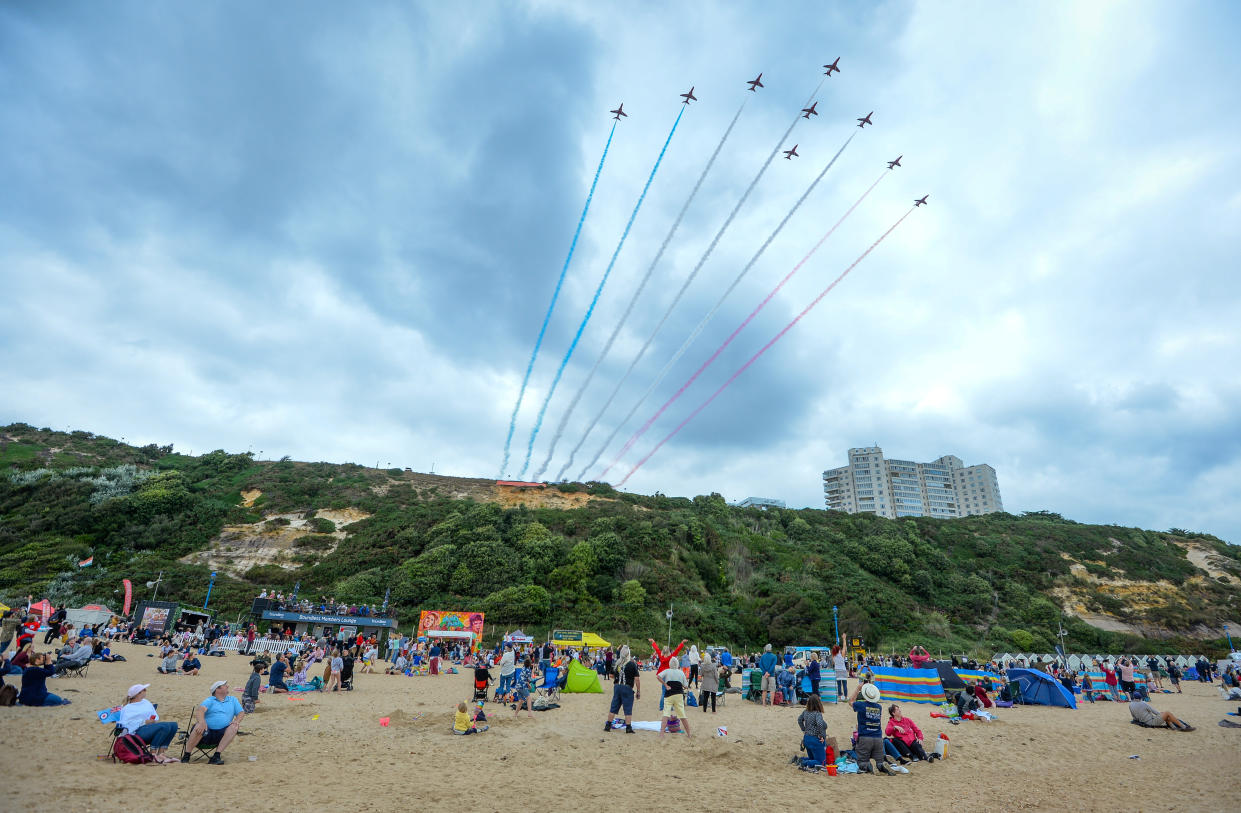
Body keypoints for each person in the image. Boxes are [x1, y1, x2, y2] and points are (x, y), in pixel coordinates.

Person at [182, 680, 245, 763]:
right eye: (225, 685)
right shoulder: (210, 700)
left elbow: (241, 712)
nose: (228, 686)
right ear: (217, 690)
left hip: (222, 735)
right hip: (206, 733)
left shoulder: (233, 700)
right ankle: (186, 755)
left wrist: (236, 721)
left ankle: (216, 756)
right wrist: (202, 722)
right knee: (199, 725)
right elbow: (200, 711)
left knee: (234, 726)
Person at [118, 684, 180, 763]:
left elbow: (154, 715)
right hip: (135, 733)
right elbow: (125, 725)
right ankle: (153, 753)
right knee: (164, 727)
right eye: (143, 690)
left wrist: (152, 720)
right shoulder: (128, 708)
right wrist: (144, 722)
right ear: (138, 694)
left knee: (173, 725)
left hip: (148, 728)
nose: (146, 691)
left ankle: (161, 753)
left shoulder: (145, 702)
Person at [850, 681, 893, 775]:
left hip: (865, 737)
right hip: (878, 737)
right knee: (879, 760)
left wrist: (858, 689)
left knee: (861, 761)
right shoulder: (879, 707)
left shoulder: (861, 705)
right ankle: (881, 765)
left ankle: (868, 765)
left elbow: (851, 701)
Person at [605, 645, 640, 734]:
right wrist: (638, 691)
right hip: (627, 687)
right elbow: (636, 679)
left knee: (614, 707)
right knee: (627, 708)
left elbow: (611, 675)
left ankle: (608, 725)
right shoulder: (632, 664)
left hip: (617, 686)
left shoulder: (617, 663)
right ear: (628, 653)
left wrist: (618, 678)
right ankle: (628, 727)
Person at [658, 656, 691, 738]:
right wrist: (683, 685)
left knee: (666, 714)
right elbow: (686, 686)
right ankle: (689, 734)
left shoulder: (667, 671)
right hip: (679, 695)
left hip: (669, 694)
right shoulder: (681, 672)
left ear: (670, 664)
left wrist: (665, 685)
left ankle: (661, 734)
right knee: (682, 715)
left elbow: (658, 676)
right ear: (677, 664)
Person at [796, 694, 829, 768]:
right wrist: (822, 736)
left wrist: (804, 730)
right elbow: (820, 724)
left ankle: (800, 760)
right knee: (822, 762)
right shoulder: (817, 713)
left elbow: (799, 720)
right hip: (815, 740)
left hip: (807, 738)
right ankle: (804, 763)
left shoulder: (806, 711)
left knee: (813, 758)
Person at [1129, 698, 1194, 731]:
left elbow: (1134, 717)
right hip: (1150, 722)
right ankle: (1183, 727)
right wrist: (1162, 714)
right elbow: (1156, 713)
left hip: (1143, 721)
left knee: (1164, 715)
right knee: (1167, 713)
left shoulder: (1131, 704)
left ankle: (1173, 727)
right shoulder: (1143, 703)